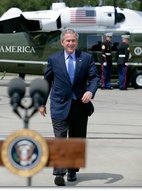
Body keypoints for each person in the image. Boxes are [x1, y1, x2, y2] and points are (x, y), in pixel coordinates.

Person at [38, 28, 100, 186]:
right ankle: (59, 173)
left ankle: (72, 171)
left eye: (73, 40)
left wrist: (90, 91)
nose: (70, 43)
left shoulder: (86, 58)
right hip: (59, 105)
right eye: (68, 40)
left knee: (76, 139)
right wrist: (41, 103)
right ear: (62, 42)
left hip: (79, 106)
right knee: (60, 139)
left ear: (77, 42)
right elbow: (46, 82)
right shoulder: (54, 59)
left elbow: (94, 78)